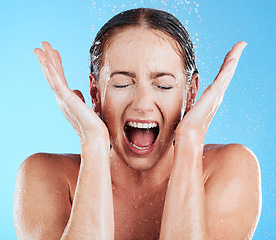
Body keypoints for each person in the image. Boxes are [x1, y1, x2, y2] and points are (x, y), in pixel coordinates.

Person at [13, 8, 261, 240]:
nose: (142, 103)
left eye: (163, 85)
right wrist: (93, 144)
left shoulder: (231, 167)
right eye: (122, 84)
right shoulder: (44, 175)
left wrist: (191, 141)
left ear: (190, 93)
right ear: (96, 93)